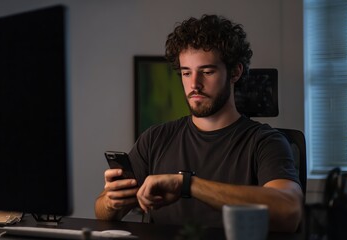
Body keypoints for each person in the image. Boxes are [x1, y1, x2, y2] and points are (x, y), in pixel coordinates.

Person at [95, 14, 303, 232]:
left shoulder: (265, 142)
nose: (194, 84)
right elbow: (100, 210)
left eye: (207, 71)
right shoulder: (155, 138)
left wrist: (187, 184)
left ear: (235, 72)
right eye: (186, 73)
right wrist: (111, 202)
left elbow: (289, 211)